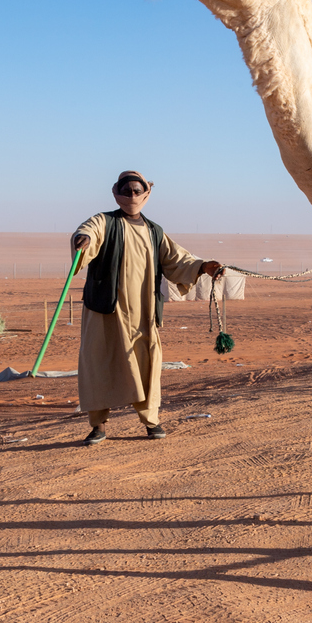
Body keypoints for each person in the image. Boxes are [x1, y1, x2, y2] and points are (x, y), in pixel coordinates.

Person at [70, 170, 223, 446]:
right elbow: (88, 231)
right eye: (126, 190)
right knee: (98, 361)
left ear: (146, 194)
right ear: (116, 193)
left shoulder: (154, 231)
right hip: (106, 310)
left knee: (147, 364)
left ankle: (151, 420)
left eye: (136, 191)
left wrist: (203, 266)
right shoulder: (104, 221)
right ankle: (98, 425)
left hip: (143, 310)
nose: (131, 196)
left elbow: (178, 259)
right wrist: (84, 241)